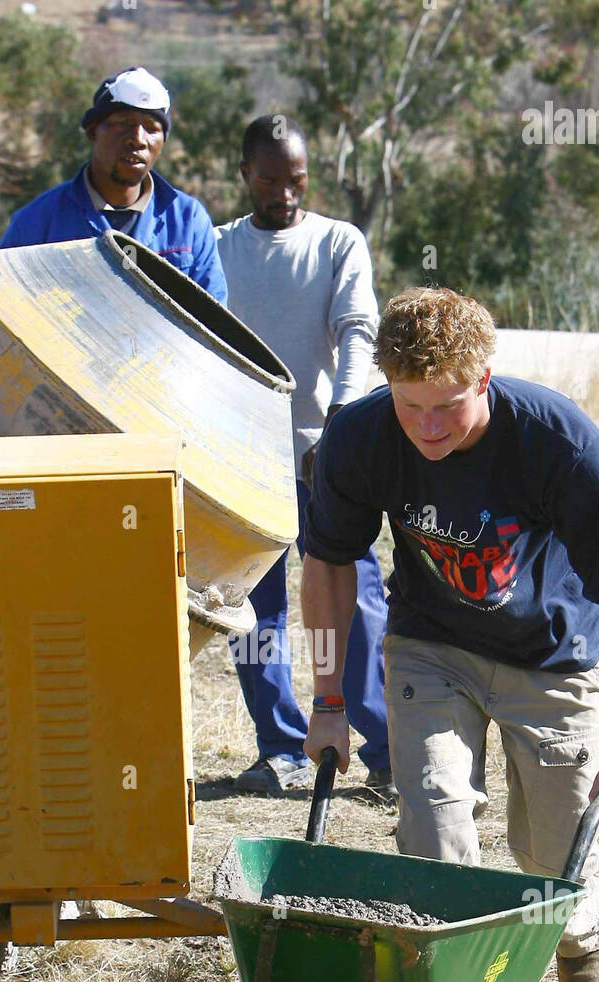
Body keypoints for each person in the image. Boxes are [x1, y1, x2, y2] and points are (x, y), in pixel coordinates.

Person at [301, 286, 599, 982]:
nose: (427, 427)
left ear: (485, 377)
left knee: (552, 861)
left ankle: (580, 928)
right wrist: (328, 703)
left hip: (552, 659)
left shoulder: (557, 441)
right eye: (409, 404)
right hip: (433, 649)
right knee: (433, 831)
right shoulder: (361, 436)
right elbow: (326, 563)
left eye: (448, 407)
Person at [215, 115, 392, 795]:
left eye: (296, 180)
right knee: (253, 611)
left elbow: (356, 330)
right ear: (244, 175)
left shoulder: (337, 243)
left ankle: (381, 751)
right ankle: (281, 747)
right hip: (240, 459)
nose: (284, 193)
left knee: (353, 603)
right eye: (269, 179)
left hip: (325, 454)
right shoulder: (220, 247)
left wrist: (341, 422)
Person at [0, 67, 228, 304]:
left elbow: (211, 325)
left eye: (151, 128)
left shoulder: (188, 221)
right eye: (123, 123)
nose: (138, 139)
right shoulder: (38, 222)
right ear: (92, 131)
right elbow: (2, 306)